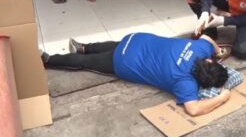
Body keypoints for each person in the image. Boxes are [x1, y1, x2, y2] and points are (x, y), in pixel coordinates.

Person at [41, 32, 232, 116]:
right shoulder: (186, 83)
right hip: (125, 62)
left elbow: (207, 37)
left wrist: (218, 52)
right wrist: (222, 98)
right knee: (88, 64)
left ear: (209, 61)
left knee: (116, 45)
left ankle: (83, 47)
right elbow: (194, 109)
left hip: (137, 39)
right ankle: (49, 60)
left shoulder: (199, 49)